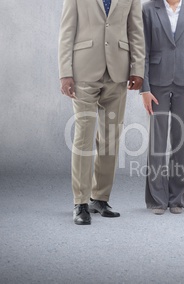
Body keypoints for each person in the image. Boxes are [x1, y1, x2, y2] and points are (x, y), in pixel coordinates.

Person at [58, 0, 145, 225]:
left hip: (118, 72)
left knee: (110, 138)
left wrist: (138, 69)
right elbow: (67, 30)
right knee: (83, 136)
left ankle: (100, 198)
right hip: (84, 70)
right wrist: (65, 73)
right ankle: (80, 202)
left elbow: (135, 30)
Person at [140, 0, 184, 215]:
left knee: (181, 141)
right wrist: (145, 88)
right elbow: (144, 50)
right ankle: (156, 199)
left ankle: (177, 198)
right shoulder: (149, 9)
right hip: (157, 82)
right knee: (157, 142)